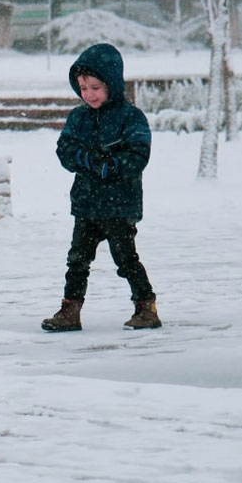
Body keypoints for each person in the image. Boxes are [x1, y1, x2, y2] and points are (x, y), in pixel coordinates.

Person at [42, 42, 162, 332]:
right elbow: (65, 150)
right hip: (86, 204)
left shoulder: (130, 118)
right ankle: (70, 311)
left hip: (119, 205)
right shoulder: (78, 118)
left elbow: (138, 155)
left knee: (125, 259)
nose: (89, 94)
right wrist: (87, 159)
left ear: (111, 84)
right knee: (77, 261)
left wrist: (111, 165)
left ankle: (146, 307)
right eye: (83, 88)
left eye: (95, 87)